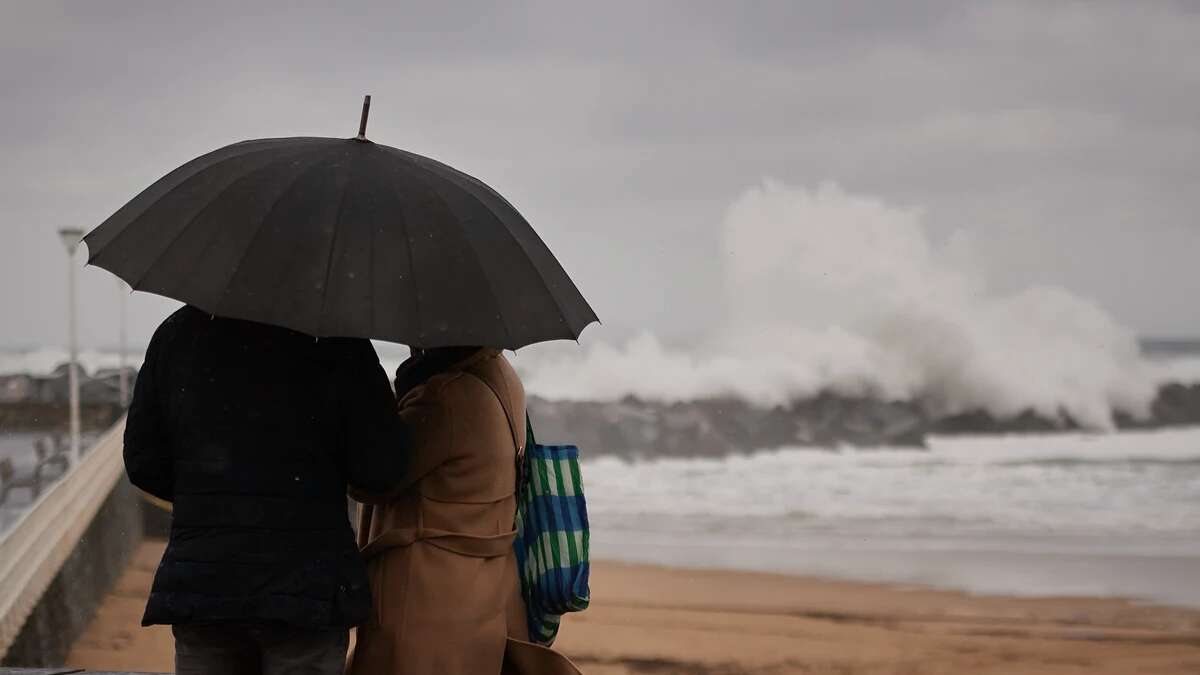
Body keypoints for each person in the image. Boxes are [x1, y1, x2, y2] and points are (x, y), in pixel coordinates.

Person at [123, 306, 406, 675]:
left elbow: (143, 461)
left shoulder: (178, 333)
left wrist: (209, 494)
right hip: (306, 587)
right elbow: (380, 471)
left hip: (205, 580)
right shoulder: (339, 343)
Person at [347, 346, 581, 675]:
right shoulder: (499, 374)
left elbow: (373, 477)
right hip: (485, 591)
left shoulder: (445, 397)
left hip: (425, 598)